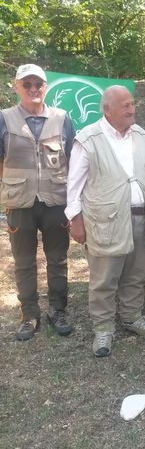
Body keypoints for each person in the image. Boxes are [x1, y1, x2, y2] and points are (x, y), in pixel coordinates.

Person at [65, 85, 145, 357]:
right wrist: (75, 219)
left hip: (141, 216)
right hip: (105, 221)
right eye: (125, 106)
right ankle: (103, 328)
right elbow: (73, 185)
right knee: (104, 278)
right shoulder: (88, 139)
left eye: (132, 104)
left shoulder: (142, 135)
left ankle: (132, 317)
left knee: (136, 273)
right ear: (107, 110)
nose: (131, 109)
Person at [0, 64, 75, 341]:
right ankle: (29, 315)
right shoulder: (4, 119)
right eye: (27, 84)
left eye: (38, 84)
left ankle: (58, 310)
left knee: (57, 259)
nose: (33, 89)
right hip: (19, 203)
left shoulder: (62, 118)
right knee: (23, 262)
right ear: (16, 86)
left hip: (56, 201)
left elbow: (73, 158)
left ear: (45, 86)